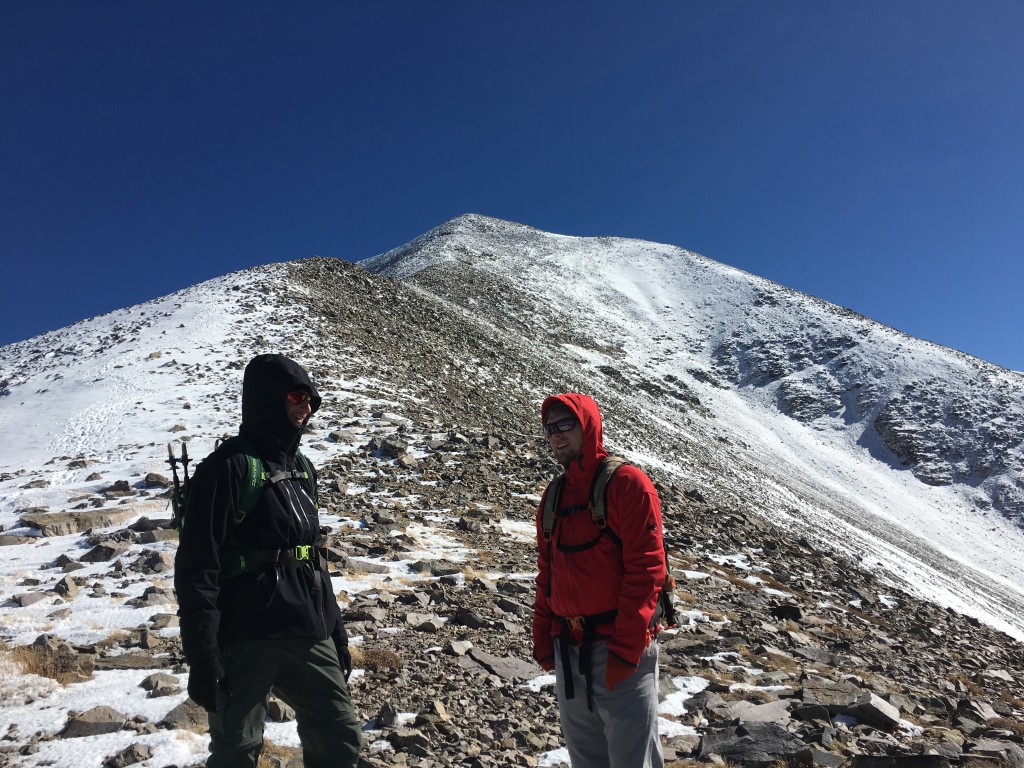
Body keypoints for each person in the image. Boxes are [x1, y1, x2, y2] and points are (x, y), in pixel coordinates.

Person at [174, 353, 361, 768]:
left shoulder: (302, 469)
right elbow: (196, 566)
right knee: (237, 749)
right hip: (245, 635)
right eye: (297, 395)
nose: (306, 407)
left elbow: (312, 557)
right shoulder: (229, 467)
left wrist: (336, 630)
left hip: (308, 630)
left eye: (312, 399)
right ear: (267, 398)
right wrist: (203, 653)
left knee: (339, 731)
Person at [532, 393, 666, 768]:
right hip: (568, 650)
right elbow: (549, 572)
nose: (557, 436)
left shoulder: (627, 484)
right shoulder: (554, 496)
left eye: (566, 425)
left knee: (632, 760)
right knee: (587, 760)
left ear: (588, 425)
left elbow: (648, 569)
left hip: (619, 648)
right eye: (550, 428)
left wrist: (626, 650)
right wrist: (543, 637)